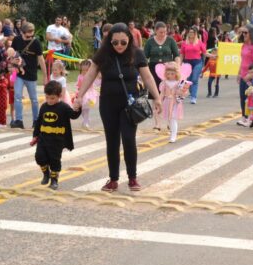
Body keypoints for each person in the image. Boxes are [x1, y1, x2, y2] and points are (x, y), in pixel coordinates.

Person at [74, 22, 161, 192]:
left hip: (130, 105)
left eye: (123, 42)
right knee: (112, 142)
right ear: (109, 42)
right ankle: (113, 179)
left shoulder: (137, 54)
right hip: (108, 103)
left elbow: (148, 77)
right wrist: (79, 96)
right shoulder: (103, 54)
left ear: (129, 39)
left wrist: (157, 97)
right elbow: (90, 74)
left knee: (128, 139)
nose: (119, 46)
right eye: (115, 42)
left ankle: (132, 178)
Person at [30, 80, 81, 190]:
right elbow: (39, 121)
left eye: (52, 98)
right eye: (47, 97)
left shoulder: (63, 107)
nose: (49, 100)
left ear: (59, 96)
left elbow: (73, 115)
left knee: (54, 160)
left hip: (57, 140)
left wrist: (78, 108)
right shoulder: (44, 106)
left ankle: (54, 180)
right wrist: (35, 135)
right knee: (39, 157)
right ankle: (46, 174)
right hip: (43, 138)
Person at [11, 23, 47, 128]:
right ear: (22, 32)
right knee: (17, 96)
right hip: (18, 73)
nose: (30, 36)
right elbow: (12, 54)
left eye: (32, 34)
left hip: (31, 74)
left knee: (34, 99)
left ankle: (36, 120)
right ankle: (19, 120)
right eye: (28, 35)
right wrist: (12, 74)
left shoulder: (36, 42)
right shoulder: (16, 40)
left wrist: (45, 76)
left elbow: (41, 59)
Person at [235, 24, 253, 127]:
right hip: (243, 75)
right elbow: (243, 61)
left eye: (246, 32)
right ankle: (244, 117)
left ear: (251, 33)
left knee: (251, 98)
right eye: (243, 33)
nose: (244, 34)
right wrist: (239, 74)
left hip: (252, 77)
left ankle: (252, 118)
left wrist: (250, 76)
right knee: (243, 96)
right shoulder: (244, 45)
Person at [158, 62, 191, 143]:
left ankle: (173, 136)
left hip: (175, 102)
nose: (170, 75)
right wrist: (159, 101)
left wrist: (181, 91)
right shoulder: (165, 82)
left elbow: (184, 92)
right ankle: (172, 131)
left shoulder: (179, 82)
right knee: (169, 118)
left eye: (172, 73)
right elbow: (162, 93)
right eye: (168, 73)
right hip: (167, 102)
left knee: (173, 118)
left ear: (176, 73)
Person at [180, 27, 205, 104]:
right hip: (187, 62)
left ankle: (193, 97)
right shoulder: (184, 43)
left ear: (195, 34)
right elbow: (182, 54)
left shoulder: (199, 42)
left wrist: (213, 56)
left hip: (197, 62)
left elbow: (204, 53)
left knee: (194, 79)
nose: (191, 34)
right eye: (190, 32)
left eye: (192, 32)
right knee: (188, 80)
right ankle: (191, 93)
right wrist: (180, 63)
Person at [76, 59, 100, 131]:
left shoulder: (92, 76)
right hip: (82, 93)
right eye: (83, 70)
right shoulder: (79, 76)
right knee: (83, 109)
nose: (85, 72)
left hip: (89, 93)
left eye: (87, 70)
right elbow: (78, 85)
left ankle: (86, 121)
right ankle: (85, 119)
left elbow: (97, 81)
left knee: (87, 108)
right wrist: (78, 90)